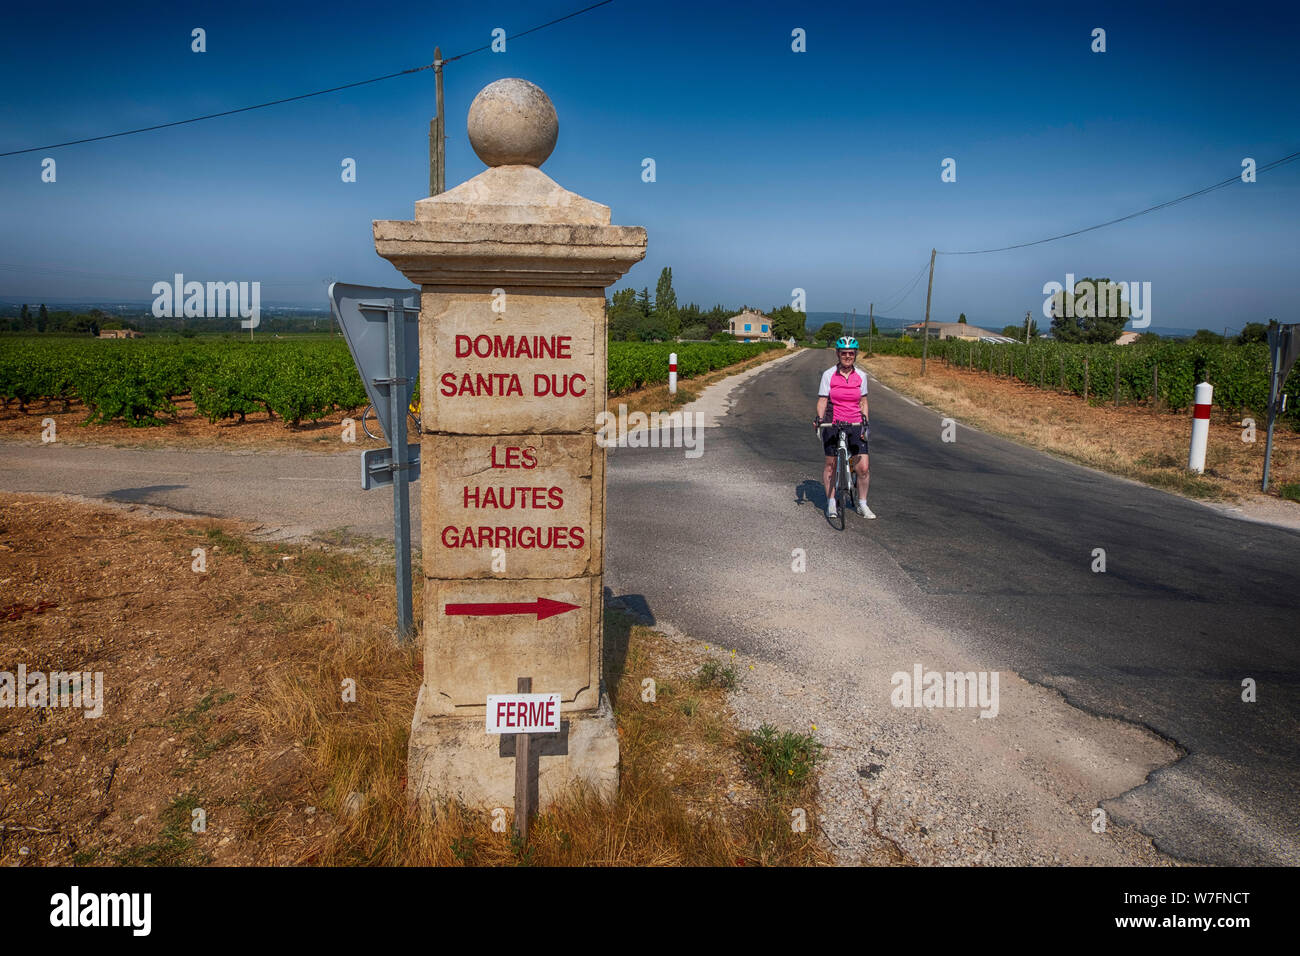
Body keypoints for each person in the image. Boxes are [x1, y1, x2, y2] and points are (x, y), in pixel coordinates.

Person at [814, 337, 875, 519]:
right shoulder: (829, 374)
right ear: (838, 354)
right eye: (844, 353)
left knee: (863, 467)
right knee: (831, 465)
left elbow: (863, 401)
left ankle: (862, 503)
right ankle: (831, 502)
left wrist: (865, 422)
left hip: (855, 422)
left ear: (855, 354)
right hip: (833, 422)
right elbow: (823, 400)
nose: (847, 356)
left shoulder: (861, 376)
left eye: (851, 353)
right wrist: (819, 418)